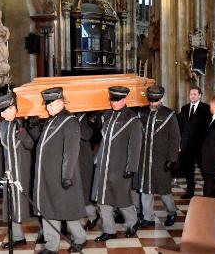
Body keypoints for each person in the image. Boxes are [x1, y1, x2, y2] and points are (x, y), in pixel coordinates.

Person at [33, 87, 87, 254]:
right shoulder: (51, 120)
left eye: (49, 105)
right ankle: (51, 245)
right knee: (48, 211)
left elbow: (71, 152)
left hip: (62, 176)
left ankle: (80, 239)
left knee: (68, 211)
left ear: (60, 102)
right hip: (47, 177)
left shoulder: (70, 121)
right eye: (46, 105)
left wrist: (67, 176)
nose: (47, 108)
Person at [91, 86, 142, 242]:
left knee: (122, 199)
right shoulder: (106, 116)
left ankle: (132, 223)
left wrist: (131, 167)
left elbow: (135, 146)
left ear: (125, 100)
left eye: (117, 100)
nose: (113, 103)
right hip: (103, 166)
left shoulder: (132, 119)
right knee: (103, 199)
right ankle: (109, 230)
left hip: (120, 167)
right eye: (112, 99)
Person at [0, 93, 36, 249]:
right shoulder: (1, 127)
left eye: (10, 109)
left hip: (26, 172)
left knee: (32, 203)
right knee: (12, 204)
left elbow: (32, 145)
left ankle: (46, 235)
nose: (6, 114)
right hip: (10, 173)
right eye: (5, 111)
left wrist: (23, 132)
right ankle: (18, 237)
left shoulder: (25, 123)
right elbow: (0, 152)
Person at [135, 85, 180, 228]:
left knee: (164, 189)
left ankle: (172, 212)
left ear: (161, 98)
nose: (153, 104)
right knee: (145, 188)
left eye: (155, 100)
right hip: (143, 158)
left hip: (161, 159)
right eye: (151, 100)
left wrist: (172, 159)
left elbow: (175, 138)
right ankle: (148, 217)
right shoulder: (141, 113)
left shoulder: (169, 114)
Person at [178, 86, 211, 199]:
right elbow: (181, 127)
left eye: (195, 94)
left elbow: (207, 128)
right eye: (191, 94)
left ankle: (207, 191)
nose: (192, 96)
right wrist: (180, 143)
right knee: (188, 169)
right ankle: (189, 191)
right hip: (187, 145)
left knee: (204, 169)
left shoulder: (206, 108)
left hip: (200, 145)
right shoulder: (184, 108)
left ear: (200, 95)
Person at [75, 112, 101, 229]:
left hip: (84, 158)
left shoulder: (88, 117)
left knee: (85, 189)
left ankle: (92, 216)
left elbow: (88, 135)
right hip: (71, 157)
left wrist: (76, 123)